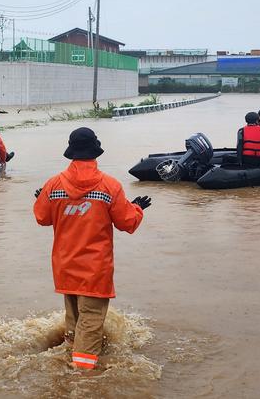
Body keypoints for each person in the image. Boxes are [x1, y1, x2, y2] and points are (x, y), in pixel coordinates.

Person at [33, 127, 151, 370]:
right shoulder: (110, 186)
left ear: (71, 152)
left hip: (65, 266)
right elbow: (126, 223)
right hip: (95, 270)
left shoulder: (54, 185)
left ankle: (67, 362)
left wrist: (43, 198)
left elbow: (42, 217)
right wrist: (136, 208)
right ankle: (84, 379)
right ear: (95, 151)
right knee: (92, 322)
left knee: (75, 321)